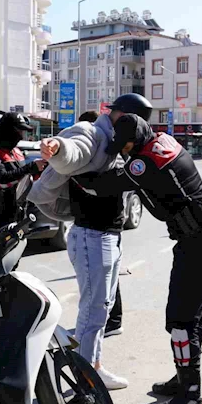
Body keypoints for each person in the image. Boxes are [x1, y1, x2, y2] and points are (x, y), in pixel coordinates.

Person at [71, 113, 202, 404]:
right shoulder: (163, 142)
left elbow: (104, 186)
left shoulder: (144, 162)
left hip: (200, 244)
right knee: (191, 318)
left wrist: (72, 171)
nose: (123, 150)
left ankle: (191, 397)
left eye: (125, 145)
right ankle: (184, 380)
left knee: (182, 322)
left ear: (136, 140)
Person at [37, 98, 152, 390]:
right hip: (91, 236)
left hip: (109, 236)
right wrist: (58, 148)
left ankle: (94, 366)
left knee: (103, 307)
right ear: (121, 116)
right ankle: (85, 378)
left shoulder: (117, 143)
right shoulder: (92, 133)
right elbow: (74, 150)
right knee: (93, 310)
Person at [0, 112, 45, 331]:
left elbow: (24, 179)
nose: (21, 136)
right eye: (19, 131)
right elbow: (2, 180)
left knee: (13, 269)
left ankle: (7, 313)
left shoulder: (15, 151)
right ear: (8, 130)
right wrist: (30, 168)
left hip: (18, 216)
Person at [76, 110, 125, 339]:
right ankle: (111, 320)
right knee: (104, 286)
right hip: (107, 228)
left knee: (98, 293)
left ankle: (110, 322)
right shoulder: (107, 155)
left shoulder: (103, 157)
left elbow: (95, 186)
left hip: (100, 229)